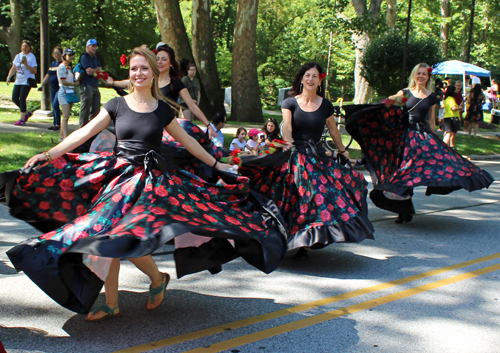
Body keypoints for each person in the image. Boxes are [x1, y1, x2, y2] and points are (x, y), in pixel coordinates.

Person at [3, 47, 287, 321]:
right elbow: (85, 131)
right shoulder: (116, 105)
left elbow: (186, 142)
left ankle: (152, 280)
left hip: (150, 183)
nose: (138, 73)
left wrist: (217, 164)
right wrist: (49, 154)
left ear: (153, 73)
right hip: (119, 179)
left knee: (119, 238)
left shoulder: (162, 110)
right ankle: (117, 301)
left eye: (144, 69)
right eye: (134, 69)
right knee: (106, 237)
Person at [239, 62, 374, 258]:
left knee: (324, 195)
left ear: (320, 81)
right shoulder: (290, 102)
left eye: (315, 76)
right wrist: (288, 143)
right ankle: (293, 239)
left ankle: (307, 240)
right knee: (295, 196)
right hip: (294, 153)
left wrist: (343, 150)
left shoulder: (325, 105)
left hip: (316, 155)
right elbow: (287, 126)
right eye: (307, 75)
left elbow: (334, 130)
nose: (310, 79)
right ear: (302, 78)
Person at [346, 63, 494, 224]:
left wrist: (436, 141)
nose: (421, 76)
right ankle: (404, 209)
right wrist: (364, 111)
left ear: (428, 76)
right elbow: (386, 106)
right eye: (419, 73)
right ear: (414, 75)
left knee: (416, 171)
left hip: (422, 138)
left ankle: (405, 209)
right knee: (405, 170)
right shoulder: (406, 94)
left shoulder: (431, 97)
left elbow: (431, 121)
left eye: (424, 74)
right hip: (404, 137)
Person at [111, 44, 216, 139]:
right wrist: (112, 83)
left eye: (164, 59)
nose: (160, 62)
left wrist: (208, 125)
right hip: (148, 126)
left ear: (171, 63)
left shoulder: (176, 83)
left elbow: (192, 106)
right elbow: (128, 82)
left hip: (169, 130)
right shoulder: (148, 80)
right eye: (157, 59)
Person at [6, 40, 38, 126]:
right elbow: (14, 68)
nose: (24, 48)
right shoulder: (18, 56)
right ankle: (26, 112)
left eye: (26, 46)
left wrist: (26, 64)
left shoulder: (31, 57)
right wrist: (9, 77)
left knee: (22, 98)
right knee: (14, 98)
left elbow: (34, 71)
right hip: (18, 80)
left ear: (29, 48)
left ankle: (22, 119)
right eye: (23, 46)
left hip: (27, 80)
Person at [79, 39, 102, 127]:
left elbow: (100, 69)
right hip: (86, 84)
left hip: (94, 84)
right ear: (87, 46)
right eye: (93, 46)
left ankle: (92, 128)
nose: (95, 48)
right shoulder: (84, 57)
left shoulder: (95, 58)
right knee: (86, 107)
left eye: (96, 46)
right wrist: (97, 69)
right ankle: (82, 128)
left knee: (96, 108)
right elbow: (89, 72)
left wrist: (95, 70)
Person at [39, 46, 63, 131]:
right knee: (53, 105)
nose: (56, 55)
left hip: (59, 88)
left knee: (56, 104)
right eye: (55, 53)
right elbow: (48, 75)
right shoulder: (53, 64)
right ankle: (55, 123)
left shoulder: (63, 63)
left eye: (58, 53)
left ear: (62, 54)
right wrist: (42, 85)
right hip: (52, 88)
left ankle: (58, 124)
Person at [57, 48, 78, 141]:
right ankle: (65, 137)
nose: (71, 57)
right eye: (69, 55)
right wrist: (74, 84)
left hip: (70, 92)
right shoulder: (62, 67)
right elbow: (63, 81)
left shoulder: (69, 67)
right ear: (64, 56)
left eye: (72, 55)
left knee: (67, 115)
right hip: (63, 92)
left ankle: (61, 136)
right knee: (65, 116)